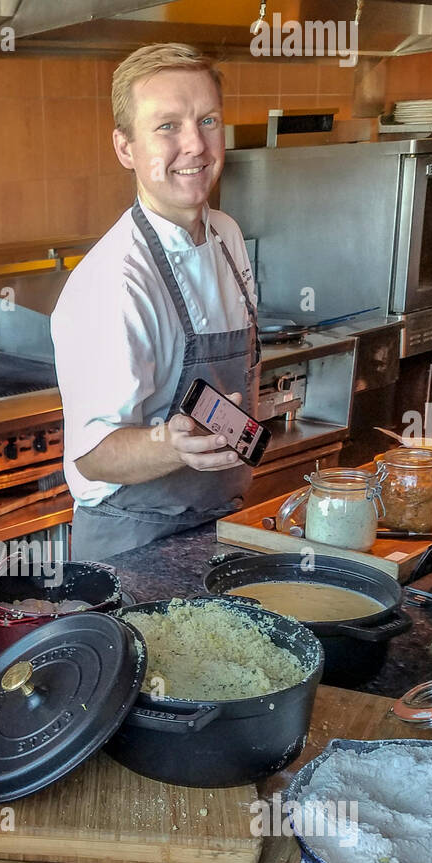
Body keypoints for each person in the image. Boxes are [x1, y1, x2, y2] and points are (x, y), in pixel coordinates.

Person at [51, 43, 261, 560]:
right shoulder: (113, 282)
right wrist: (172, 445)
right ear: (125, 148)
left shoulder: (227, 235)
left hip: (222, 521)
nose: (195, 145)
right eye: (167, 126)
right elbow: (92, 457)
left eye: (207, 120)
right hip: (134, 543)